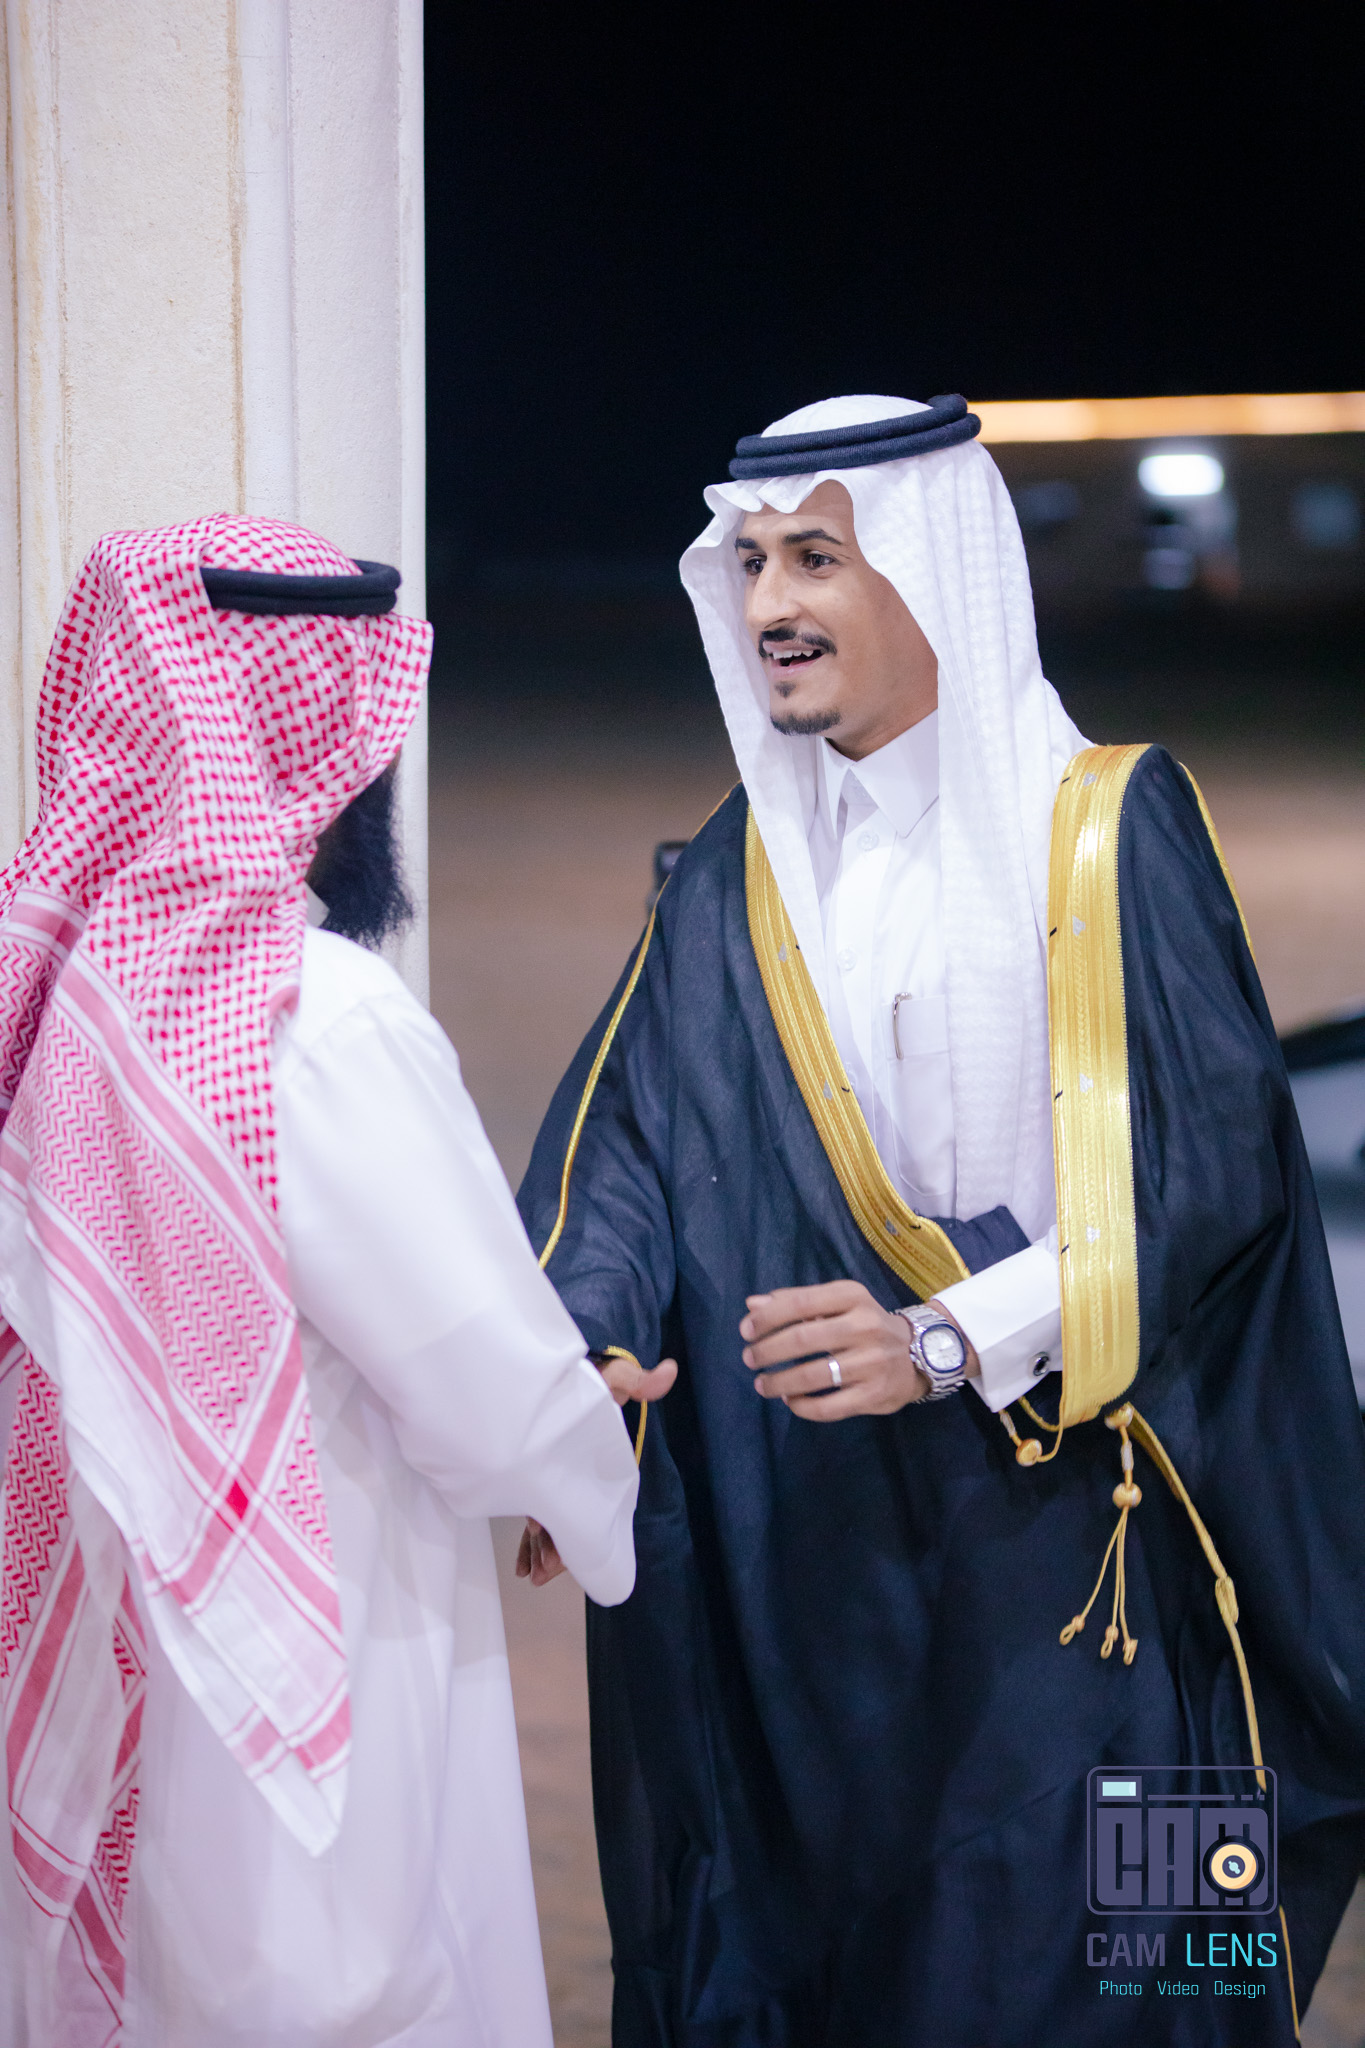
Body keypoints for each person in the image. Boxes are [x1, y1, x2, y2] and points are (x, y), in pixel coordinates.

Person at [518, 396, 1365, 2044]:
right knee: (847, 1974)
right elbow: (619, 1150)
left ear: (931, 573)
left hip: (1093, 1562)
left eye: (815, 560)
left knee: (1144, 1977)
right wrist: (580, 1368)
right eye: (750, 563)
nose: (769, 604)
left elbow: (1209, 1176)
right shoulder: (735, 875)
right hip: (824, 1579)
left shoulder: (1107, 828)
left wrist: (942, 1335)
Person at [0, 516, 641, 2047]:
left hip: (104, 1677)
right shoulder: (318, 1020)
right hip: (298, 1689)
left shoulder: (60, 984)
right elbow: (484, 1388)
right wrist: (589, 1461)